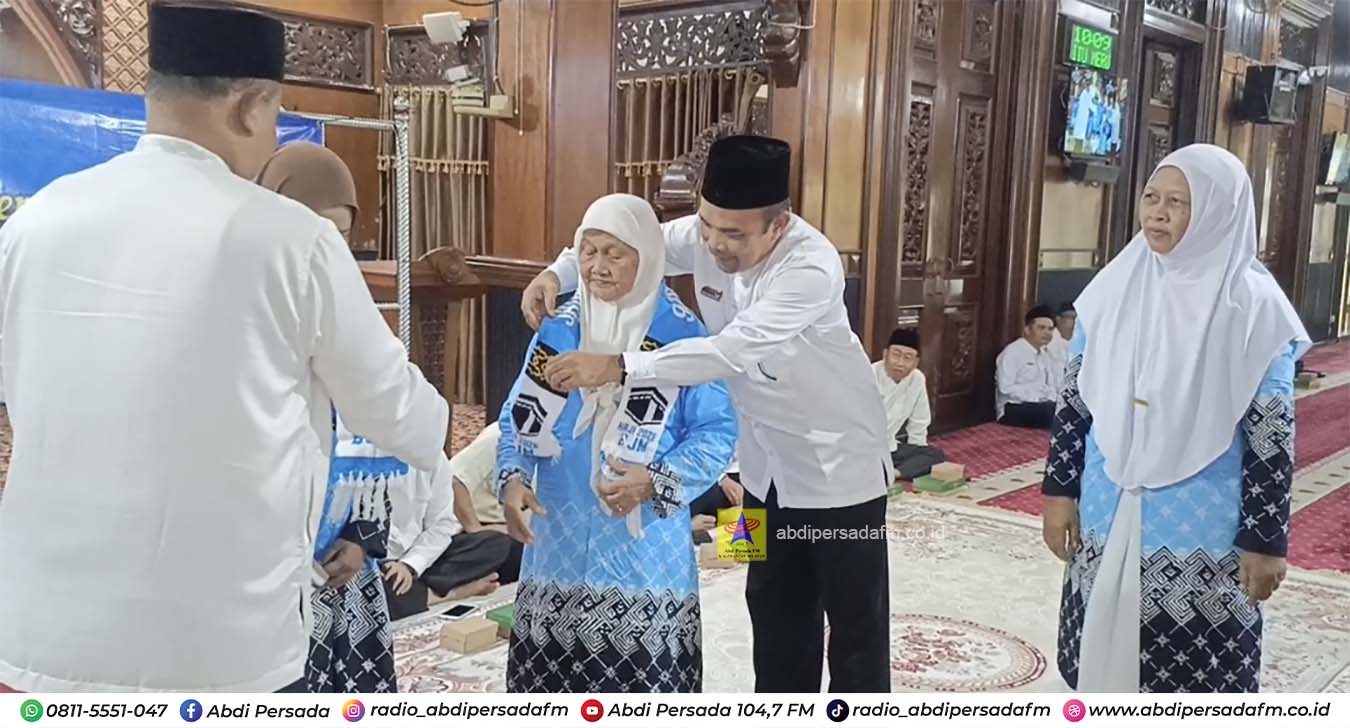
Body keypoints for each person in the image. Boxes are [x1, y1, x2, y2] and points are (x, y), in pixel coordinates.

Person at [0, 4, 447, 693]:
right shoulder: (291, 239)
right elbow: (400, 418)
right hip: (216, 645)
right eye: (274, 116)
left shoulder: (36, 223)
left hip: (43, 636)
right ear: (248, 106)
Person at [523, 137, 894, 693]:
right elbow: (627, 243)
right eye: (707, 226)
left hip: (839, 472)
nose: (716, 244)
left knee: (855, 621)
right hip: (761, 471)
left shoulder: (811, 267)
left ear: (778, 225)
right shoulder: (703, 236)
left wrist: (620, 366)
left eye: (735, 234)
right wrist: (557, 274)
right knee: (771, 608)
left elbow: (730, 351)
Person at [1041, 144, 1310, 693]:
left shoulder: (1254, 308)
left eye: (1178, 203)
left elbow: (1272, 434)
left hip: (1203, 521)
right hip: (1107, 499)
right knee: (1099, 654)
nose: (1158, 214)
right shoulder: (1114, 287)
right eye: (1151, 198)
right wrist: (1059, 491)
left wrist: (1266, 539)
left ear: (1218, 212)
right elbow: (1075, 401)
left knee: (1193, 677)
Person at [498, 193, 736, 693]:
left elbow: (717, 433)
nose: (597, 268)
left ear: (646, 257)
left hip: (641, 551)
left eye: (614, 254)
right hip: (558, 539)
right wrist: (513, 479)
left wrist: (656, 480)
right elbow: (518, 414)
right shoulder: (560, 329)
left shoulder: (682, 335)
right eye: (588, 251)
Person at [257, 141, 401, 693]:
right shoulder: (242, 308)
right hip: (267, 571)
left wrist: (363, 538)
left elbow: (379, 432)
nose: (329, 251)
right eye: (316, 232)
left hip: (346, 568)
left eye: (341, 236)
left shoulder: (353, 310)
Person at [380, 424, 521, 622]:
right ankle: (451, 593)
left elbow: (441, 526)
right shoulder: (358, 456)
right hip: (375, 561)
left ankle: (418, 590)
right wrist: (388, 563)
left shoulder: (434, 457)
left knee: (500, 545)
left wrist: (409, 565)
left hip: (421, 556)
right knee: (368, 591)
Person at [874, 328, 945, 480]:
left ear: (916, 362)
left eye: (907, 358)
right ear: (885, 354)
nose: (900, 363)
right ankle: (882, 472)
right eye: (896, 355)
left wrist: (916, 452)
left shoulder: (917, 379)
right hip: (862, 449)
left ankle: (893, 473)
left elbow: (919, 423)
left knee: (934, 455)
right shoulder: (869, 375)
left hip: (890, 448)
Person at [995, 305, 1060, 429]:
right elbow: (1005, 388)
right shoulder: (1012, 352)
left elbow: (1051, 385)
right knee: (1051, 411)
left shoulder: (1045, 354)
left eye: (1050, 329)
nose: (1047, 333)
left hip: (1041, 405)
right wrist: (1038, 397)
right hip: (1013, 407)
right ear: (1027, 330)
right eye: (1041, 328)